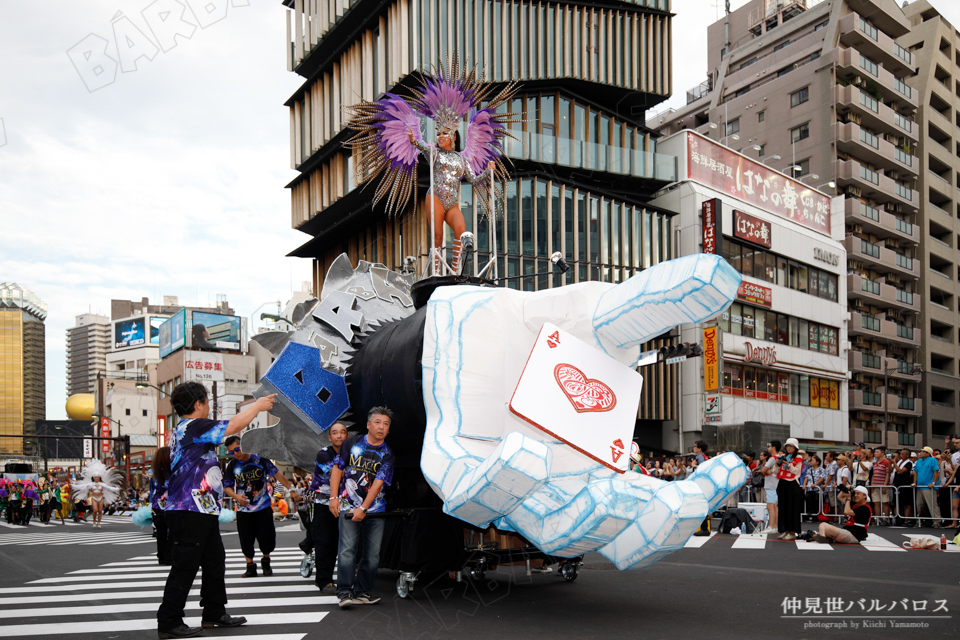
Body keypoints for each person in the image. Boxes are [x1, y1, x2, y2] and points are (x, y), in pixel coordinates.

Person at [156, 382, 277, 639]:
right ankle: (168, 621)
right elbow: (232, 427)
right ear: (198, 404)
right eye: (206, 402)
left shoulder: (182, 429)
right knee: (185, 565)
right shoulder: (194, 426)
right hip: (189, 508)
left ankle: (214, 611)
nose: (208, 407)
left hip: (201, 508)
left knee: (214, 561)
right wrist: (257, 406)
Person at [330, 406, 396, 609]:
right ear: (368, 424)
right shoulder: (352, 442)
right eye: (377, 422)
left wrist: (364, 508)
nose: (381, 427)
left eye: (386, 424)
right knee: (347, 550)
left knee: (372, 554)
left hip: (375, 509)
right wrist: (333, 497)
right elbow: (337, 468)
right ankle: (344, 593)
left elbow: (378, 483)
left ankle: (361, 592)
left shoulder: (387, 454)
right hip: (348, 505)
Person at [223, 436, 298, 578]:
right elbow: (227, 486)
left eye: (237, 449)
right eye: (232, 452)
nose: (236, 454)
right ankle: (250, 566)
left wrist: (292, 490)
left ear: (244, 445)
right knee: (246, 538)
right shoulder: (233, 465)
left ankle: (266, 560)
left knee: (266, 536)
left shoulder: (259, 459)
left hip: (262, 506)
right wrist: (237, 497)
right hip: (243, 509)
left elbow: (278, 475)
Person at [309, 422, 348, 593]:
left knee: (344, 542)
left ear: (347, 436)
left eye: (342, 432)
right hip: (324, 503)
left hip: (346, 504)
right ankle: (324, 581)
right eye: (335, 433)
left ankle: (347, 579)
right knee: (325, 542)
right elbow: (337, 473)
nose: (339, 436)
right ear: (329, 437)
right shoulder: (324, 454)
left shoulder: (353, 454)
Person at [776, 438, 804, 541]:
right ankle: (785, 530)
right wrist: (777, 464)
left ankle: (792, 532)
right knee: (783, 508)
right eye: (787, 446)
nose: (789, 448)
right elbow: (776, 471)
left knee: (792, 509)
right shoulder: (783, 456)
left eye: (791, 446)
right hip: (782, 483)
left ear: (795, 447)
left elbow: (797, 472)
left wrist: (788, 464)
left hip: (792, 483)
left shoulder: (798, 457)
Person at [151, 447, 172, 565]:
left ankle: (162, 556)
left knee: (161, 533)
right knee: (171, 532)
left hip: (156, 506)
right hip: (169, 505)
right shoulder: (170, 472)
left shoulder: (155, 472)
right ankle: (169, 556)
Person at [912, 446, 941, 528]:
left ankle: (937, 521)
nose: (921, 453)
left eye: (923, 451)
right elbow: (915, 472)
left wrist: (933, 482)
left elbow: (936, 471)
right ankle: (919, 521)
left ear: (928, 453)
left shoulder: (933, 460)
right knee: (918, 505)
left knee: (932, 504)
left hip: (928, 486)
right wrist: (914, 483)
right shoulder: (918, 461)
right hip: (919, 486)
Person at [759, 442, 780, 534]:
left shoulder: (772, 458)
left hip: (771, 484)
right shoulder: (779, 457)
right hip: (775, 484)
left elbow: (763, 470)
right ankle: (775, 526)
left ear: (774, 447)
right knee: (774, 506)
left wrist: (765, 470)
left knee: (771, 506)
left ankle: (772, 526)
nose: (768, 448)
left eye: (769, 446)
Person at [892, 448, 914, 526]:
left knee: (906, 503)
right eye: (900, 454)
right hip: (897, 485)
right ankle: (896, 518)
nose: (900, 455)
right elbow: (892, 470)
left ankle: (906, 520)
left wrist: (894, 463)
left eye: (902, 454)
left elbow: (901, 471)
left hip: (905, 485)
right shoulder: (899, 462)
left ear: (907, 455)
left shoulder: (909, 463)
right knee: (896, 502)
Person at [869, 446, 891, 525]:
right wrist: (872, 485)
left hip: (883, 485)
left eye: (877, 452)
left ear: (882, 453)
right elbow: (873, 475)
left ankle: (886, 519)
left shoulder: (886, 462)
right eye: (875, 452)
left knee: (885, 502)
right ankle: (878, 519)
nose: (875, 454)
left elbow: (888, 474)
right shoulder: (875, 463)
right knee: (876, 503)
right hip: (875, 485)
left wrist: (885, 485)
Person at [937, 452, 956, 529]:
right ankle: (945, 519)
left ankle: (952, 520)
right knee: (943, 503)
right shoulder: (942, 462)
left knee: (950, 504)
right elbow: (936, 469)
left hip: (951, 484)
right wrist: (941, 459)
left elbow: (956, 471)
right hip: (942, 484)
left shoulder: (953, 462)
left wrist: (950, 461)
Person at [802, 455, 824, 522]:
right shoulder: (809, 469)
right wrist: (804, 484)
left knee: (816, 502)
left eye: (812, 460)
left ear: (817, 462)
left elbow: (822, 478)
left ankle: (815, 516)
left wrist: (815, 484)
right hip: (809, 488)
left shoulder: (821, 469)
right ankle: (810, 515)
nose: (810, 461)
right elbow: (806, 477)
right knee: (808, 500)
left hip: (817, 489)